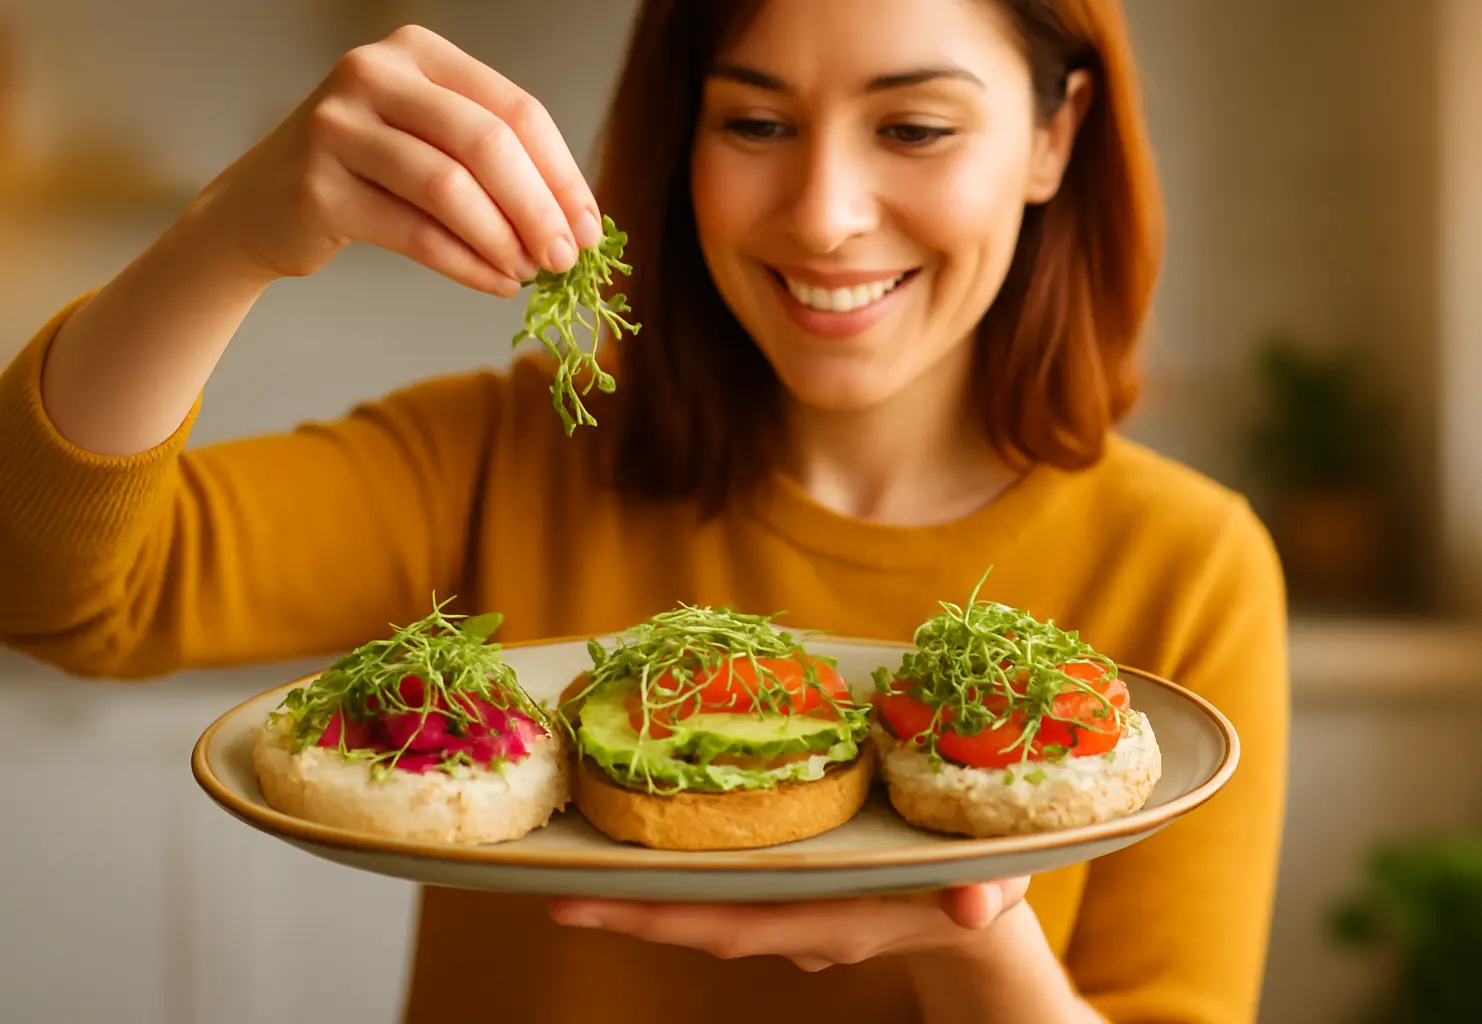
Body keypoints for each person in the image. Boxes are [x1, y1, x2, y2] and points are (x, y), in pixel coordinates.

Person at [0, 0, 1289, 1021]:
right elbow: (56, 594)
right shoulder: (509, 452)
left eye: (914, 128)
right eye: (756, 124)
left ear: (1055, 136)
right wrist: (230, 237)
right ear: (682, 136)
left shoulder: (1188, 564)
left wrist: (972, 935)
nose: (827, 217)